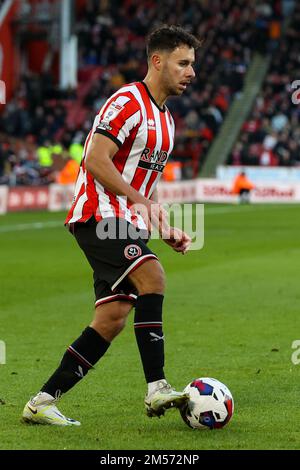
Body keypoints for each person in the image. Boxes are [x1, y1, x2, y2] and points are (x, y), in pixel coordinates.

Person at [22, 25, 201, 426]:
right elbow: (95, 160)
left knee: (112, 318)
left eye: (193, 64)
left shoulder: (167, 122)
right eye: (183, 63)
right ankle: (156, 388)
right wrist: (139, 203)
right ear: (157, 61)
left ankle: (42, 402)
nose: (192, 72)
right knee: (152, 277)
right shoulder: (127, 101)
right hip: (97, 215)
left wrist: (163, 227)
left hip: (126, 221)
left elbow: (141, 187)